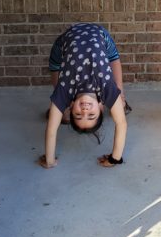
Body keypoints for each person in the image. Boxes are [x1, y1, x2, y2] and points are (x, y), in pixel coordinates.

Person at [38, 23, 128, 169]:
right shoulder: (106, 88)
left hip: (66, 39)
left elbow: (51, 129)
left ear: (72, 105)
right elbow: (121, 123)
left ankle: (61, 108)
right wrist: (114, 159)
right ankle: (120, 96)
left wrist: (49, 161)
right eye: (91, 115)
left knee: (55, 70)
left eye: (78, 115)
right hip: (99, 35)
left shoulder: (65, 90)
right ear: (101, 106)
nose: (85, 111)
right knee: (114, 64)